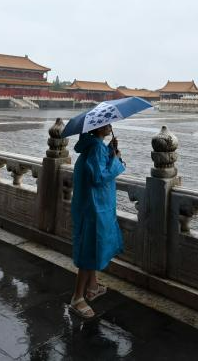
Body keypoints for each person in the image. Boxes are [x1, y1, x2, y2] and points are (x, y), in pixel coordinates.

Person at [69, 123, 125, 318]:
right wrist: (116, 160)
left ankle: (92, 286)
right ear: (98, 128)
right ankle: (77, 298)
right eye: (106, 124)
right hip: (95, 206)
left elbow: (95, 166)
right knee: (89, 249)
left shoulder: (91, 145)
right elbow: (98, 177)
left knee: (91, 246)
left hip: (89, 204)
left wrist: (110, 150)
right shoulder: (96, 147)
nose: (110, 126)